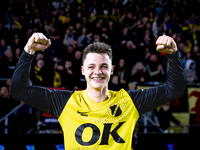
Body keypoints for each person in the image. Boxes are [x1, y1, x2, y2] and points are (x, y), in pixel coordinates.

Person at [10, 33, 185, 149]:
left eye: (103, 66)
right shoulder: (64, 102)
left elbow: (175, 89)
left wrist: (173, 55)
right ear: (83, 70)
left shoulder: (130, 101)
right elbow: (19, 89)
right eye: (91, 66)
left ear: (111, 70)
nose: (97, 71)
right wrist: (28, 51)